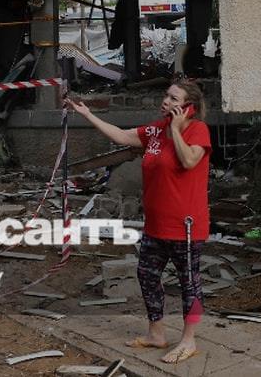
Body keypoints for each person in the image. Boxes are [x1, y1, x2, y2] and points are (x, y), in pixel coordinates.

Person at [68, 79, 212, 364]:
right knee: (147, 275)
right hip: (156, 224)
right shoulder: (155, 131)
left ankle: (189, 340)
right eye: (166, 96)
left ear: (189, 107)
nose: (166, 101)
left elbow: (189, 161)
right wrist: (87, 114)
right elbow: (122, 137)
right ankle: (156, 334)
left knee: (189, 283)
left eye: (173, 99)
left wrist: (175, 129)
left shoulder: (198, 130)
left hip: (185, 226)